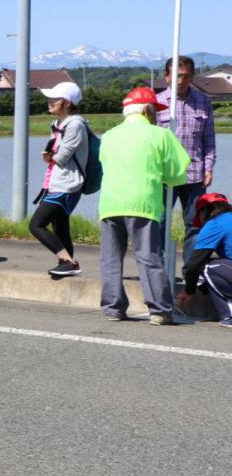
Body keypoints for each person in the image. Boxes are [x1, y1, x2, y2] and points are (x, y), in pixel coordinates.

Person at [98, 87, 190, 325]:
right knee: (148, 256)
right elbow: (178, 171)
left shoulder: (108, 136)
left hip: (110, 203)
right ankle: (159, 309)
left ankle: (113, 308)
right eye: (155, 111)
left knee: (110, 258)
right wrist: (168, 178)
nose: (157, 115)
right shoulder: (160, 135)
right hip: (142, 203)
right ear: (148, 110)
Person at [156, 55, 217, 268]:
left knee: (195, 224)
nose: (181, 81)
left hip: (194, 174)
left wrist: (208, 167)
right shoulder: (157, 104)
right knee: (159, 223)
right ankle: (160, 271)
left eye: (186, 76)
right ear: (166, 77)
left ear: (192, 77)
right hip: (162, 176)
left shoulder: (203, 101)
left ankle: (191, 271)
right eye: (177, 76)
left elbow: (209, 139)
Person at [29, 82, 88, 278]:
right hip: (57, 181)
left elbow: (61, 157)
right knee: (60, 226)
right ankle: (67, 264)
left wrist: (49, 156)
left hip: (68, 184)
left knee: (36, 224)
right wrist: (51, 155)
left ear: (68, 103)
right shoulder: (57, 124)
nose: (49, 101)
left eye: (55, 99)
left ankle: (67, 261)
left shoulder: (76, 124)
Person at [178, 193, 232, 327]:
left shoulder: (215, 223)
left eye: (199, 216)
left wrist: (189, 290)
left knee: (206, 267)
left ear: (204, 211)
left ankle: (230, 315)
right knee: (216, 265)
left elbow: (195, 263)